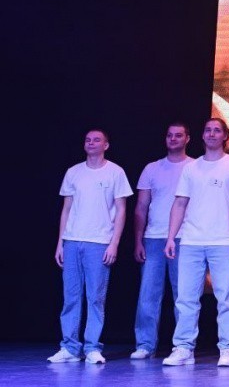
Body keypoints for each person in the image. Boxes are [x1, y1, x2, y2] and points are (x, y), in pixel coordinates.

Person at [161, 118, 229, 367]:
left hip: (224, 241)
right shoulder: (191, 168)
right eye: (208, 130)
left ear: (225, 136)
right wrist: (171, 237)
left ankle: (228, 349)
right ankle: (183, 348)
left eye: (217, 130)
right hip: (191, 240)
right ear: (202, 136)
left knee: (227, 298)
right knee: (186, 298)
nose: (212, 134)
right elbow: (180, 203)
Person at [49, 129, 133, 364]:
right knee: (71, 297)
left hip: (99, 242)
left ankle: (92, 347)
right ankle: (69, 347)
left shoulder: (115, 172)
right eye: (88, 140)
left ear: (106, 145)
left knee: (95, 297)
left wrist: (114, 243)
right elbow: (66, 209)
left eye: (97, 140)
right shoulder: (73, 172)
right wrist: (60, 243)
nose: (91, 143)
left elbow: (122, 210)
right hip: (73, 240)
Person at [130, 122, 194, 359]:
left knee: (183, 295)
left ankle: (183, 346)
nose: (173, 139)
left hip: (184, 238)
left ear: (187, 138)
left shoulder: (195, 167)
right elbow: (141, 207)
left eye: (178, 135)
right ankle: (145, 344)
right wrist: (138, 240)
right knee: (148, 294)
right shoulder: (152, 168)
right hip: (153, 238)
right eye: (169, 135)